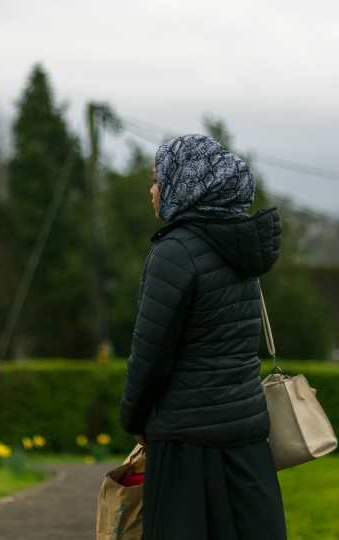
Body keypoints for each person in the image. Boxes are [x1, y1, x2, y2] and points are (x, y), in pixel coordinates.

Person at [119, 134, 288, 540]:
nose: (152, 189)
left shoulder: (175, 251)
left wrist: (134, 418)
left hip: (187, 446)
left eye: (159, 178)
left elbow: (151, 353)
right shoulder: (241, 248)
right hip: (246, 439)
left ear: (185, 184)